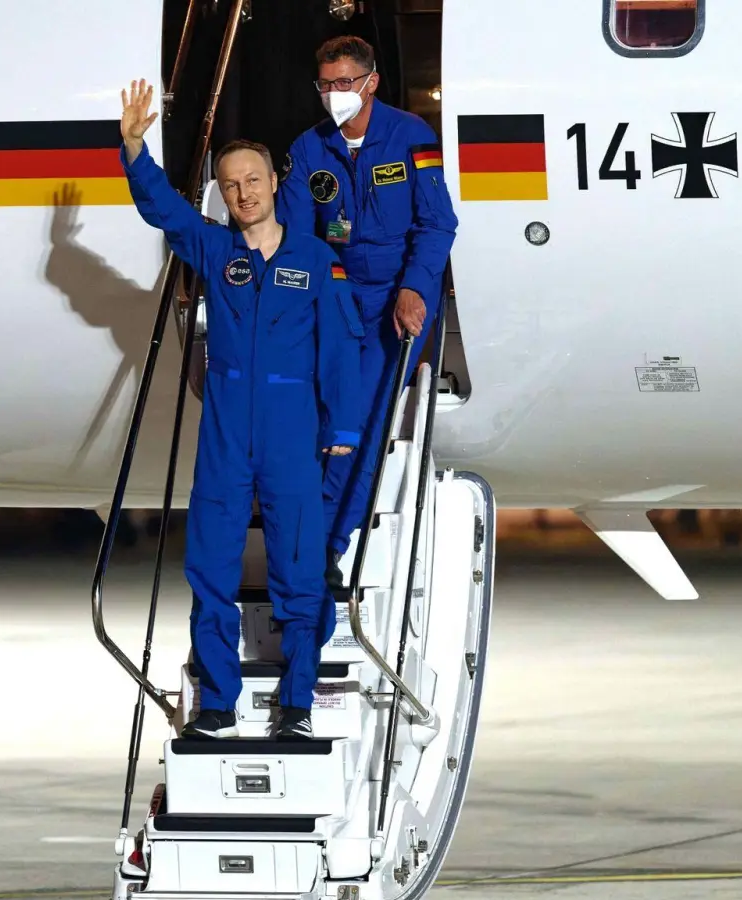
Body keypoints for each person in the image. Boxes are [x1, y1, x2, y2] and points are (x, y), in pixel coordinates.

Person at [117, 78, 363, 740]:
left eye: (252, 179)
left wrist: (341, 428)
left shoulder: (315, 260)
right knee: (211, 572)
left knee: (300, 576)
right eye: (230, 185)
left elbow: (340, 348)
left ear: (274, 182)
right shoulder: (214, 249)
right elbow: (163, 211)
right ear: (220, 195)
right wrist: (136, 148)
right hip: (227, 434)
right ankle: (218, 704)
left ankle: (298, 705)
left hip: (290, 433)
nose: (243, 193)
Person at [277, 35, 459, 587]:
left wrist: (415, 289)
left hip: (390, 306)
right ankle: (312, 544)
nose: (335, 94)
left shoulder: (410, 138)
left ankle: (327, 548)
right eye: (326, 84)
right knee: (323, 426)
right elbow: (293, 236)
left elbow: (437, 224)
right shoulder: (309, 149)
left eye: (345, 83)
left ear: (371, 82)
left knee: (361, 427)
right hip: (333, 300)